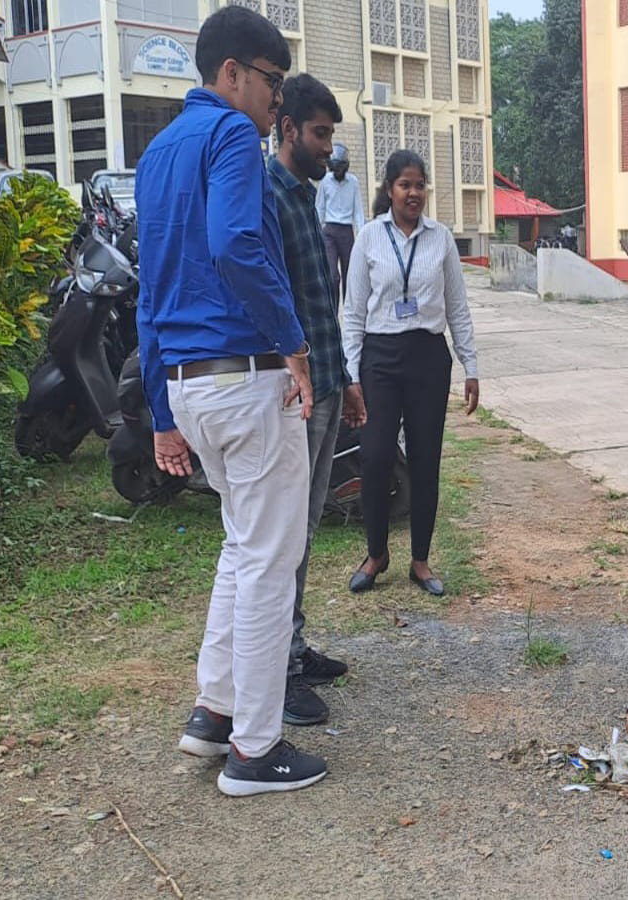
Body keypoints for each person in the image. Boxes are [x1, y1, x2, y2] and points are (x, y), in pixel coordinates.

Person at [136, 5, 327, 796]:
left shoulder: (154, 154)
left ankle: (213, 714)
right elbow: (236, 244)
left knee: (240, 547)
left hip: (189, 384)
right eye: (272, 83)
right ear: (231, 75)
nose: (277, 102)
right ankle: (255, 749)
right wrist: (295, 344)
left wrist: (157, 413)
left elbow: (151, 293)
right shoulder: (230, 139)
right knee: (269, 562)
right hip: (246, 377)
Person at [267, 74, 369, 726]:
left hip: (329, 384)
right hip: (296, 397)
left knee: (305, 533)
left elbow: (319, 307)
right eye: (321, 134)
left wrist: (347, 379)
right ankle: (275, 671)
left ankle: (295, 650)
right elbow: (273, 305)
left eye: (332, 135)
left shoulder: (306, 196)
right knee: (287, 536)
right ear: (289, 130)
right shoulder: (268, 197)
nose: (329, 148)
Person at [342, 150, 479, 597]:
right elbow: (354, 310)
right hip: (379, 358)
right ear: (389, 189)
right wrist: (352, 373)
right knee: (377, 454)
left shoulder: (440, 239)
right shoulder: (368, 238)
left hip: (427, 356)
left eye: (420, 184)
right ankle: (376, 553)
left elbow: (457, 307)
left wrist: (471, 367)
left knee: (425, 459)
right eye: (405, 184)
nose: (413, 192)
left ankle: (420, 560)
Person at [316, 142, 364, 301]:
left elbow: (358, 210)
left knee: (349, 274)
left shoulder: (353, 182)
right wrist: (317, 231)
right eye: (334, 169)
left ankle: (349, 312)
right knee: (332, 276)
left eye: (339, 169)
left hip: (346, 232)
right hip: (329, 231)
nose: (337, 172)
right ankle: (333, 314)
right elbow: (320, 208)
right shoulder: (325, 181)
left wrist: (361, 233)